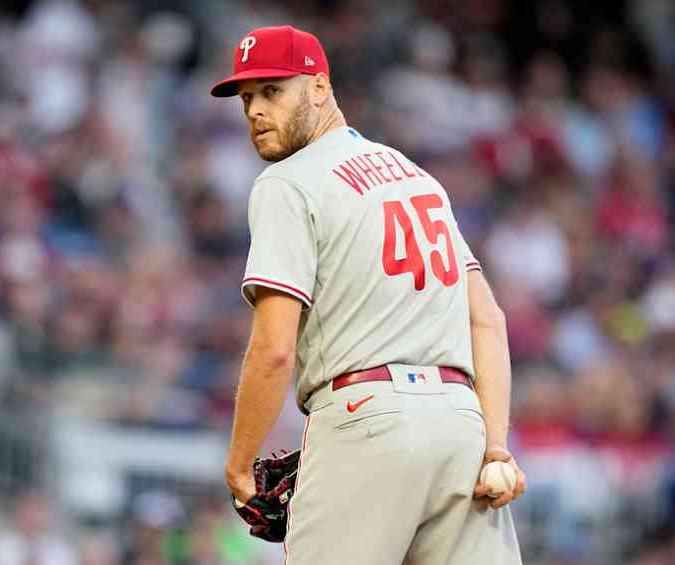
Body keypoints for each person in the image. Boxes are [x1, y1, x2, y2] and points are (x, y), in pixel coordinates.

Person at [211, 25, 525, 564]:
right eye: (246, 99)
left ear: (318, 87)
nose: (255, 112)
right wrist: (495, 445)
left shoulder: (289, 183)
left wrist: (240, 466)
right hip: (459, 426)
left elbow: (274, 349)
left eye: (271, 91)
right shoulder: (416, 176)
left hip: (365, 417)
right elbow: (488, 320)